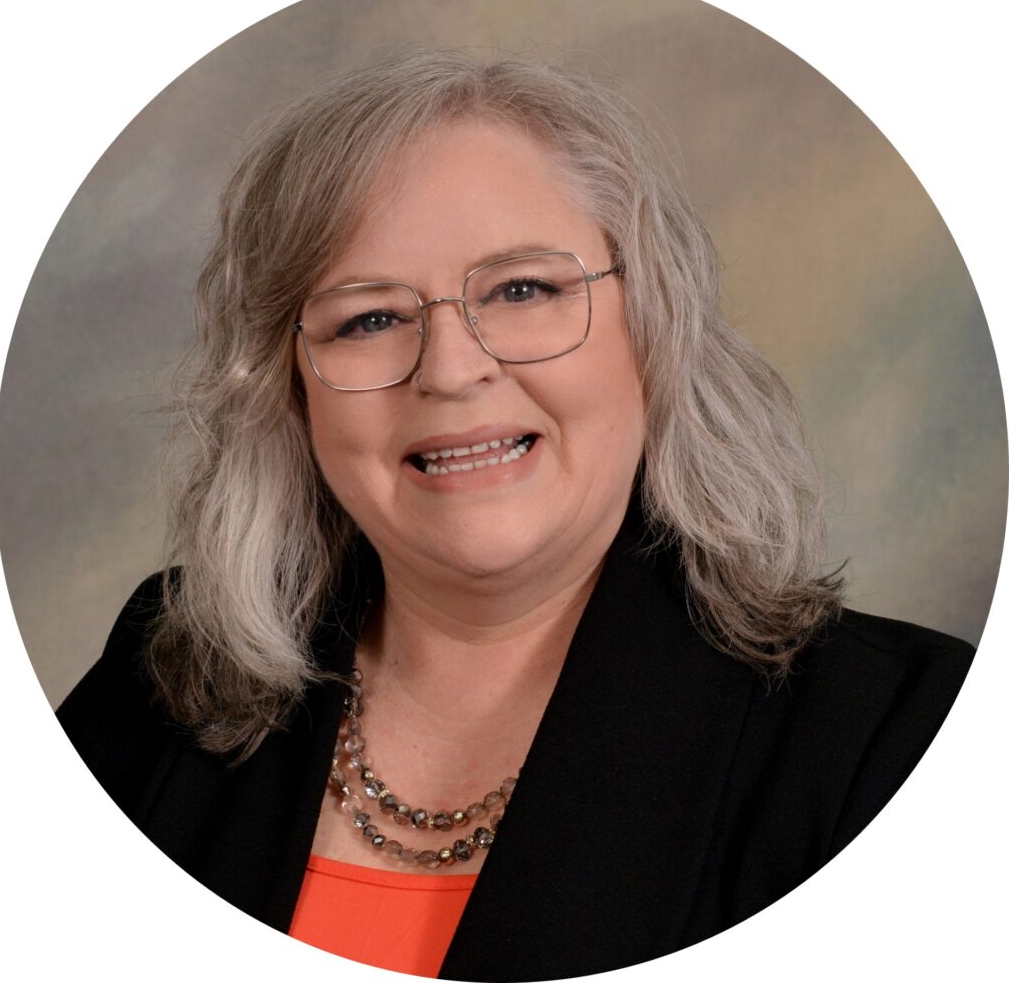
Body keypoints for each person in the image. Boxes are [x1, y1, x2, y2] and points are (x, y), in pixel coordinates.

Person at [57, 50, 974, 981]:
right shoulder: (161, 676)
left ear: (653, 325)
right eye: (369, 318)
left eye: (522, 290)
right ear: (289, 389)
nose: (451, 371)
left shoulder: (900, 736)